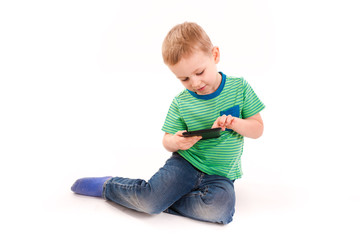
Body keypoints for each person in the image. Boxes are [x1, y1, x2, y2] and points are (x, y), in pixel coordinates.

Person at [71, 22, 265, 224]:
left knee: (220, 210)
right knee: (151, 202)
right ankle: (109, 187)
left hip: (221, 175)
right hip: (185, 164)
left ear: (215, 55)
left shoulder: (239, 88)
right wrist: (176, 142)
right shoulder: (181, 102)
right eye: (184, 79)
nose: (195, 83)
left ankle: (153, 199)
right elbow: (167, 140)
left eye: (199, 73)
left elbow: (257, 129)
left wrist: (235, 123)